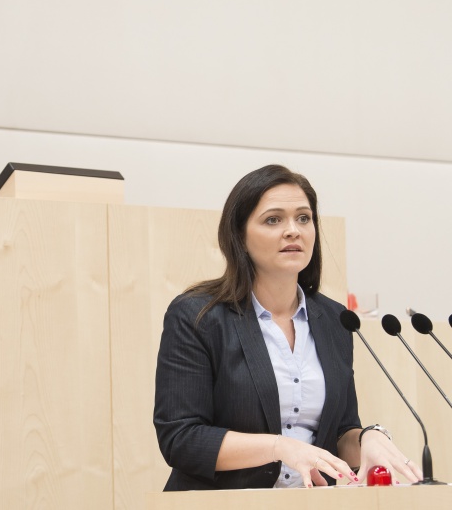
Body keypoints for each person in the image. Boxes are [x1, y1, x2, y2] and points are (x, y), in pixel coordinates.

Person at [153, 164, 422, 490]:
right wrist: (280, 447)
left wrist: (369, 438)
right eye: (273, 219)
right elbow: (181, 438)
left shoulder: (336, 320)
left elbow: (340, 432)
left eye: (304, 218)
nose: (293, 230)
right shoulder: (198, 316)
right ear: (239, 235)